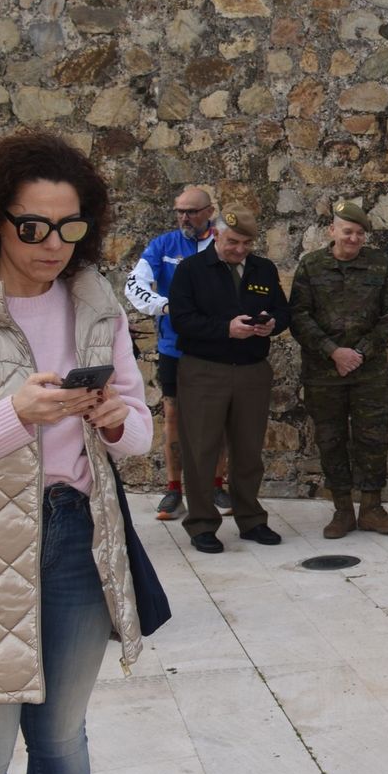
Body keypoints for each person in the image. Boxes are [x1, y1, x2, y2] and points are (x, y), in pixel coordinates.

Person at [0, 131, 153, 774]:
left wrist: (119, 421)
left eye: (71, 226)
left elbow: (140, 431)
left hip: (76, 537)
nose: (53, 244)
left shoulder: (96, 302)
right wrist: (15, 416)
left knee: (61, 740)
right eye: (33, 226)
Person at [167, 209, 290, 553]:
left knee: (249, 449)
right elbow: (182, 320)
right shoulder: (191, 270)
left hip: (252, 369)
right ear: (216, 236)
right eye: (233, 242)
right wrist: (225, 329)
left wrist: (271, 324)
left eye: (247, 243)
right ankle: (202, 524)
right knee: (202, 449)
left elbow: (282, 311)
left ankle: (251, 519)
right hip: (205, 370)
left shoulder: (262, 268)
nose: (240, 249)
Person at [289, 199, 388, 539]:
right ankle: (342, 510)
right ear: (332, 231)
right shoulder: (311, 267)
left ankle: (371, 508)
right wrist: (333, 352)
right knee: (330, 438)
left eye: (359, 233)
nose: (354, 238)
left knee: (373, 438)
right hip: (324, 374)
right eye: (347, 231)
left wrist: (360, 353)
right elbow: (298, 316)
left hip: (368, 373)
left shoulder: (379, 266)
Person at [125, 185, 230, 521]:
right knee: (173, 416)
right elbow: (135, 284)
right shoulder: (164, 245)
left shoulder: (224, 242)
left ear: (209, 211)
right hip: (175, 346)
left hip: (217, 345)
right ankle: (174, 490)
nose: (185, 217)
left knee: (219, 417)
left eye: (192, 211)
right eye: (180, 211)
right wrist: (167, 306)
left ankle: (217, 484)